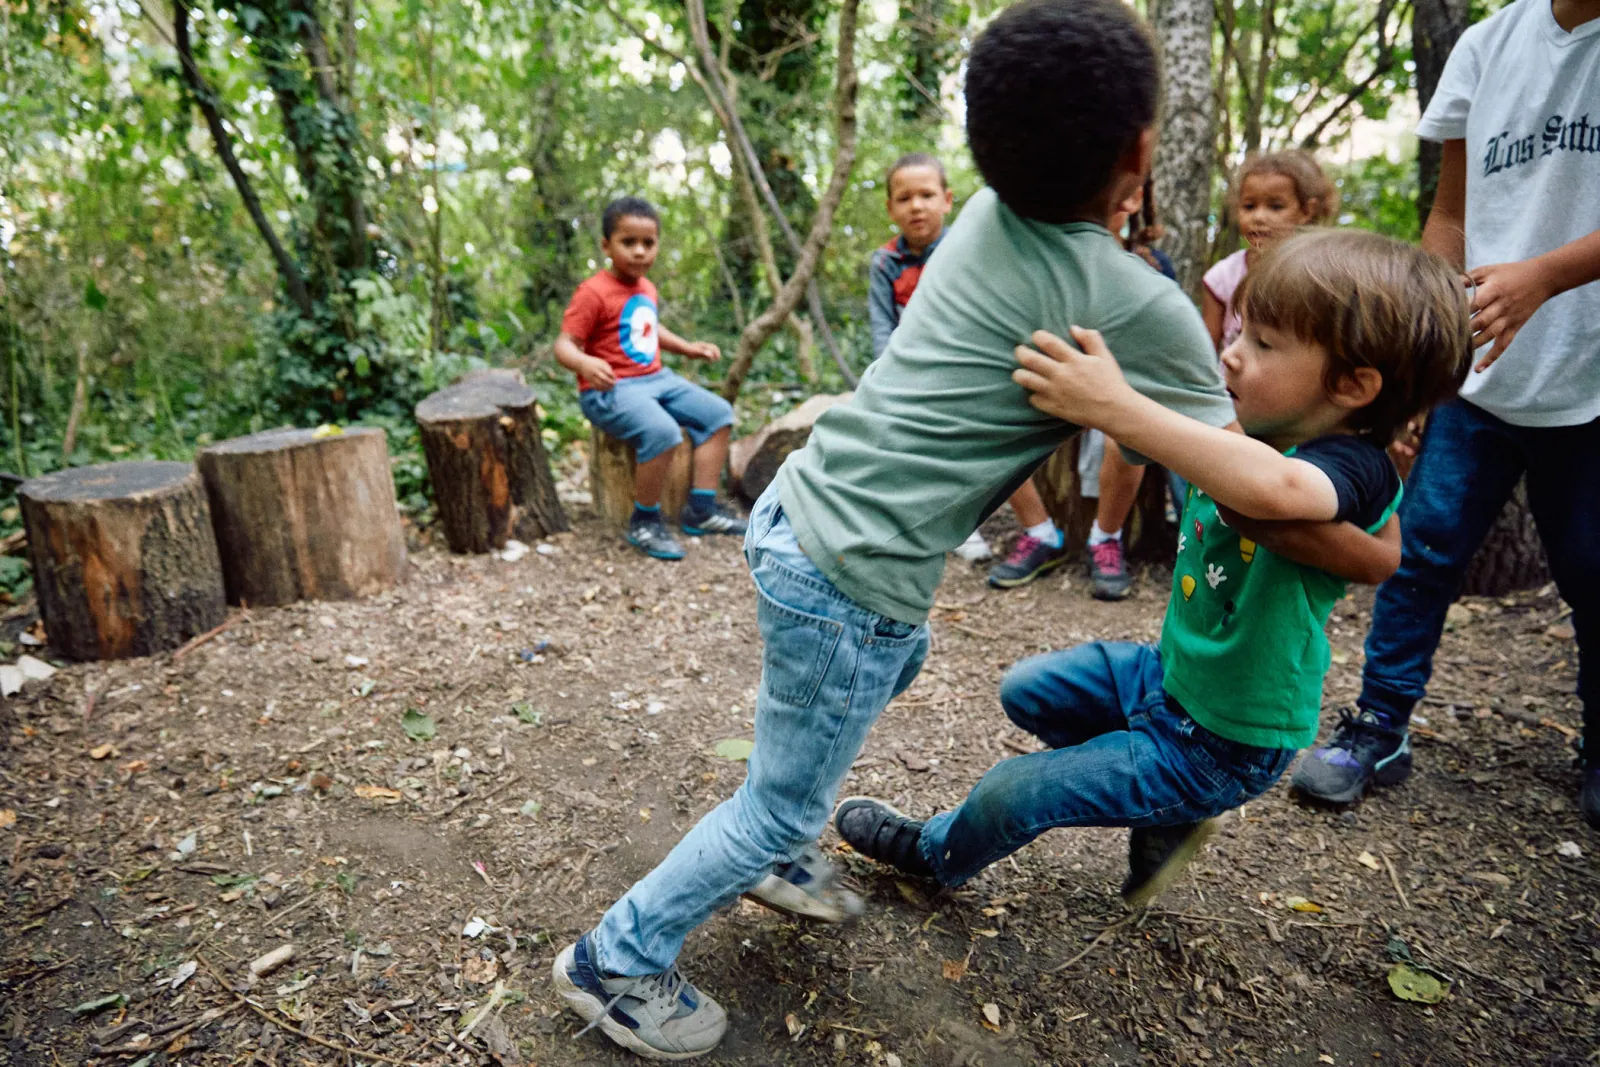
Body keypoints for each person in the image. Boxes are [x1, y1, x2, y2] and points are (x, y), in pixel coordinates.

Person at [551, 1, 1252, 1056]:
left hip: (802, 512)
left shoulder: (976, 216)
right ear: (1140, 151)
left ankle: (775, 851)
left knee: (882, 667)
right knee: (790, 790)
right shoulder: (1133, 301)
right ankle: (617, 959)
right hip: (850, 571)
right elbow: (1244, 464)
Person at [835, 229, 1470, 906]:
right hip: (1170, 679)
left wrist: (1115, 407)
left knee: (1012, 790)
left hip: (1226, 739)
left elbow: (1274, 490)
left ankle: (935, 852)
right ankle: (1164, 809)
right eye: (1240, 331)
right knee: (1029, 689)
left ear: (1353, 385)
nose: (1231, 352)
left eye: (1264, 344)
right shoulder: (1248, 423)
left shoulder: (1353, 465)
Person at [1291, 0, 1600, 821]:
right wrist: (1428, 348)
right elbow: (1452, 215)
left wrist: (1543, 276)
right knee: (1421, 550)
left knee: (1593, 568)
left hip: (1590, 377)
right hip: (1479, 378)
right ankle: (1380, 726)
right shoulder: (1487, 44)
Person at [866, 152, 1069, 580]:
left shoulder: (969, 247)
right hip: (912, 373)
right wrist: (890, 377)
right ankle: (946, 527)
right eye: (904, 198)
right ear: (890, 209)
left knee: (988, 442)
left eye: (926, 195)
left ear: (947, 200)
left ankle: (1040, 530)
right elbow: (883, 328)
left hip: (974, 366)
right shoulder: (885, 263)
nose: (916, 206)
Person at [555, 197, 747, 560]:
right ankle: (644, 519)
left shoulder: (646, 287)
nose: (640, 252)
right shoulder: (593, 292)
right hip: (610, 389)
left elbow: (648, 328)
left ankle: (701, 510)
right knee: (662, 433)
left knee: (719, 415)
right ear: (606, 245)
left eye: (649, 243)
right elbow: (564, 344)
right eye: (629, 242)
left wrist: (687, 348)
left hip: (656, 379)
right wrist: (584, 363)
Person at [1079, 177, 1182, 601]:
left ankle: (1106, 536)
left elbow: (1162, 341)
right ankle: (1038, 532)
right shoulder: (1055, 262)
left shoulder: (1152, 265)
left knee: (1129, 430)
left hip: (1128, 383)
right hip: (1068, 376)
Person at [1202, 150, 1336, 353]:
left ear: (1306, 211)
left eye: (1275, 207)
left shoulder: (1321, 276)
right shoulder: (1223, 277)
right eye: (1249, 206)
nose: (1259, 217)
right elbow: (1205, 351)